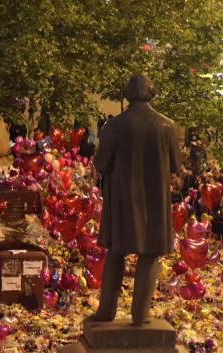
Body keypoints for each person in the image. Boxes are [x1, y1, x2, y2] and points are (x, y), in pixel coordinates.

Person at [89, 74, 180, 326]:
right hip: (155, 200)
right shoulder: (167, 126)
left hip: (122, 199)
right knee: (149, 255)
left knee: (116, 253)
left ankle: (106, 310)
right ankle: (140, 316)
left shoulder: (115, 126)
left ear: (127, 94)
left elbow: (102, 162)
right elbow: (175, 164)